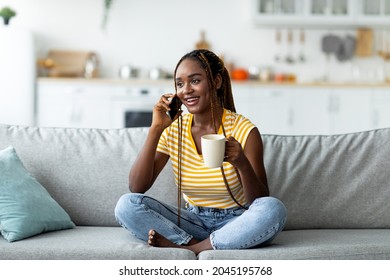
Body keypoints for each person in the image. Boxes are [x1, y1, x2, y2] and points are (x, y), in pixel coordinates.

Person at [115, 49, 287, 254]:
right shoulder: (174, 129)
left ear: (216, 82)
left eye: (195, 81)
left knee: (273, 209)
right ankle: (200, 243)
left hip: (237, 222)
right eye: (180, 84)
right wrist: (155, 129)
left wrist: (241, 163)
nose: (186, 90)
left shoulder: (244, 130)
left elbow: (258, 200)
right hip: (192, 221)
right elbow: (137, 186)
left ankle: (192, 247)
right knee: (127, 205)